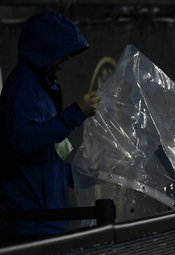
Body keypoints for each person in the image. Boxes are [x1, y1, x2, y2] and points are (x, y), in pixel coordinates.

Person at [0, 12, 102, 242]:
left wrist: (89, 179)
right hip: (28, 225)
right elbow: (22, 140)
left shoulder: (40, 86)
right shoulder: (24, 86)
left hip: (44, 222)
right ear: (45, 49)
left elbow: (47, 159)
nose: (66, 58)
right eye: (62, 52)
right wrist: (76, 113)